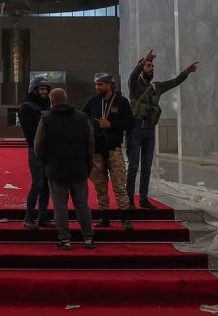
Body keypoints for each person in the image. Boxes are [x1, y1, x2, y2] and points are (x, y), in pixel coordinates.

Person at [126, 51, 198, 209]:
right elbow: (133, 75)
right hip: (135, 130)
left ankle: (143, 199)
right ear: (142, 67)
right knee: (133, 166)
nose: (151, 68)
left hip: (150, 131)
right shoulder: (135, 85)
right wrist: (144, 59)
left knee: (146, 166)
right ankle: (129, 199)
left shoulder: (156, 86)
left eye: (152, 66)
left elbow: (175, 81)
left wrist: (187, 71)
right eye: (148, 65)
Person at [33, 88, 96, 250]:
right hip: (79, 168)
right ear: (66, 99)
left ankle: (65, 240)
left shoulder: (46, 119)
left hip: (56, 169)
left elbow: (38, 145)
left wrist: (46, 162)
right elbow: (90, 144)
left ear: (52, 101)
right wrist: (88, 165)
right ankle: (88, 238)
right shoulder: (81, 117)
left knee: (60, 205)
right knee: (82, 204)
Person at [79, 73, 134, 230]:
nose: (97, 87)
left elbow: (131, 123)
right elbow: (81, 116)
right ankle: (104, 216)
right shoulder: (93, 101)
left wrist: (112, 124)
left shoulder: (121, 101)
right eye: (96, 84)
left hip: (114, 148)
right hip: (96, 149)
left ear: (109, 85)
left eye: (100, 84)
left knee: (119, 184)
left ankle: (125, 217)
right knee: (100, 185)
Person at [17, 75, 54, 230]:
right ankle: (28, 218)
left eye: (46, 89)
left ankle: (43, 217)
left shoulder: (49, 106)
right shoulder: (26, 107)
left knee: (46, 186)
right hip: (35, 149)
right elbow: (31, 132)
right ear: (34, 90)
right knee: (38, 184)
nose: (44, 92)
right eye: (41, 89)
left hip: (49, 150)